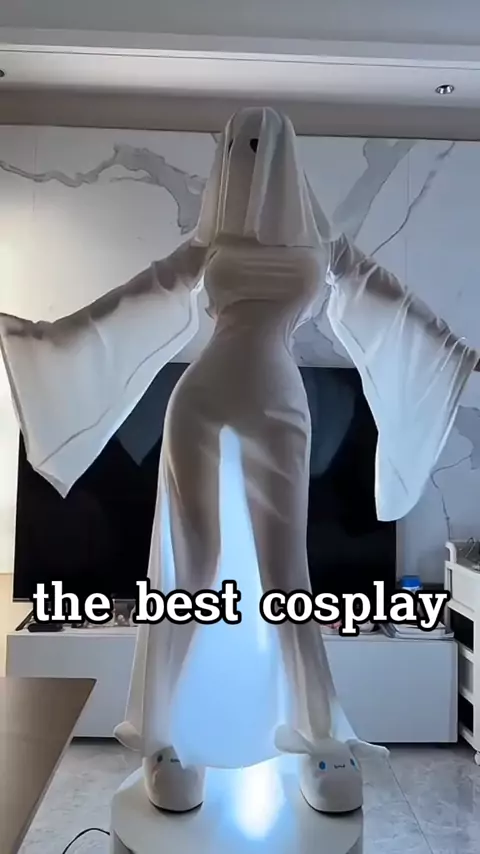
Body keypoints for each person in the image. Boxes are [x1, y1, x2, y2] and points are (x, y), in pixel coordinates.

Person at [1, 107, 478, 814]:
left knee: (285, 572)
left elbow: (393, 304)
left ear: (287, 153)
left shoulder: (322, 243)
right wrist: (41, 339)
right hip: (199, 404)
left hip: (281, 410)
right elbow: (128, 303)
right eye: (239, 147)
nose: (249, 158)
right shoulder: (210, 243)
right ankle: (168, 739)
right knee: (191, 568)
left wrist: (457, 353)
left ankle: (318, 737)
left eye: (261, 144)